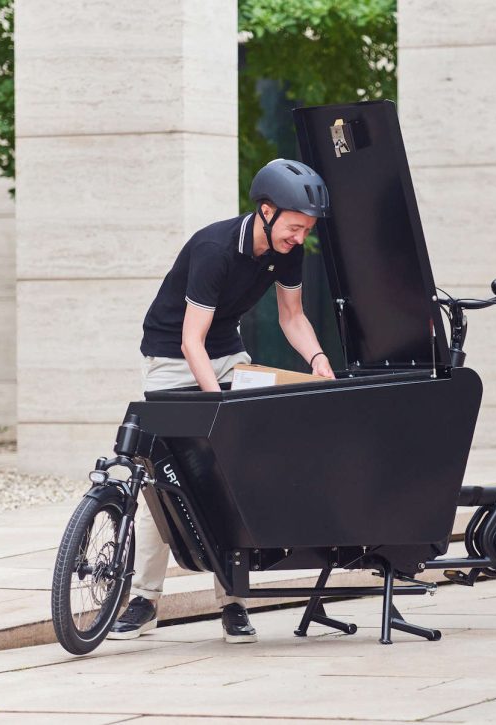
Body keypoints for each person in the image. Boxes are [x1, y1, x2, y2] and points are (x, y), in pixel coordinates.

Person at [108, 159, 334, 643]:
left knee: (233, 476)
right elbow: (192, 342)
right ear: (267, 212)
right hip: (172, 359)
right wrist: (220, 414)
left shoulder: (287, 249)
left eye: (307, 229)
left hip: (228, 355)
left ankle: (233, 601)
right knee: (162, 481)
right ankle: (144, 601)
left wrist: (317, 358)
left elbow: (291, 317)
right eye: (295, 227)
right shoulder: (215, 248)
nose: (300, 237)